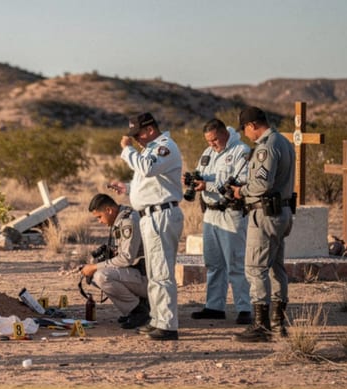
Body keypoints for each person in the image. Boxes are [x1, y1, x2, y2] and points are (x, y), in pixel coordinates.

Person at [108, 112, 184, 341]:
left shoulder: (165, 147)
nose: (137, 139)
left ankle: (168, 324)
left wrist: (127, 150)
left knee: (162, 272)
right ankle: (159, 319)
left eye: (138, 134)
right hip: (150, 216)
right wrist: (129, 188)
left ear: (150, 129)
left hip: (162, 215)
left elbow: (149, 169)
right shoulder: (149, 151)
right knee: (154, 273)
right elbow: (150, 181)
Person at [232, 106, 296, 342]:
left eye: (245, 129)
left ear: (252, 125)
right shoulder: (284, 142)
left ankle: (262, 325)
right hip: (283, 212)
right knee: (276, 268)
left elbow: (261, 185)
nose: (246, 134)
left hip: (265, 213)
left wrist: (241, 191)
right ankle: (278, 323)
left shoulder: (266, 147)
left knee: (255, 268)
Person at [189, 119, 252, 325]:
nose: (212, 144)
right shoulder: (208, 153)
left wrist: (208, 185)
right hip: (210, 214)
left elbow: (241, 182)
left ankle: (245, 308)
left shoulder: (241, 151)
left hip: (230, 213)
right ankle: (214, 306)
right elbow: (201, 173)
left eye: (215, 139)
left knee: (236, 262)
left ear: (225, 133)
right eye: (208, 141)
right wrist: (193, 181)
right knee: (213, 263)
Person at [80, 193, 150, 330]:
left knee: (101, 276)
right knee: (98, 273)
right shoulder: (121, 218)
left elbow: (126, 258)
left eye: (99, 217)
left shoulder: (127, 221)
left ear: (109, 210)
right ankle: (137, 305)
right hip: (139, 273)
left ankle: (138, 311)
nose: (100, 221)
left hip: (147, 278)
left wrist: (94, 267)